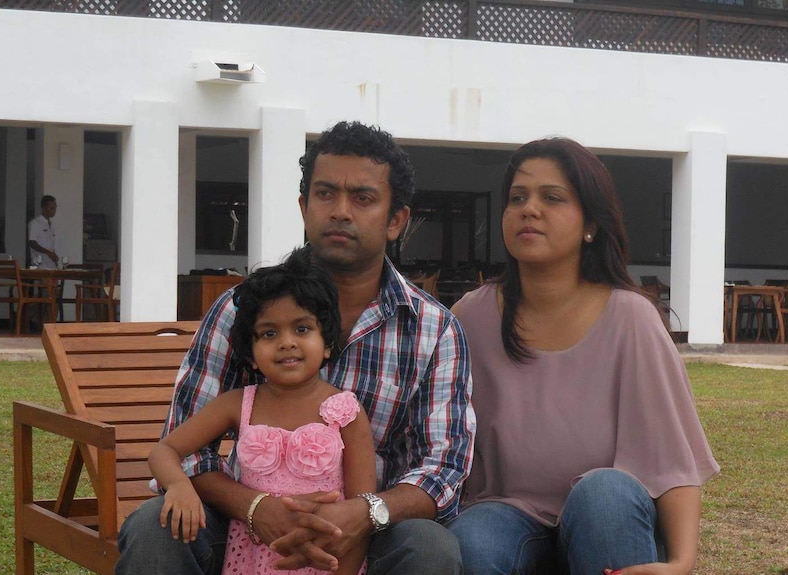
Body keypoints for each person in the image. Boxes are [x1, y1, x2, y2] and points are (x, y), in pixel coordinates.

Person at [116, 121, 475, 575]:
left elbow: (443, 466)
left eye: (363, 198)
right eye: (326, 194)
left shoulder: (434, 329)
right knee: (155, 527)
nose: (341, 211)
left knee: (428, 547)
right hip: (240, 523)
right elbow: (188, 447)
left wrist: (364, 513)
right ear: (305, 207)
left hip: (373, 529)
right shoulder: (242, 309)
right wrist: (254, 507)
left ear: (396, 220)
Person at [448, 137, 719, 575]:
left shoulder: (631, 318)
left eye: (551, 198)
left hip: (606, 518)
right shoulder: (469, 316)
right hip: (506, 513)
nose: (529, 209)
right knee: (472, 537)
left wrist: (681, 563)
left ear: (590, 223)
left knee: (605, 494)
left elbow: (672, 461)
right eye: (518, 198)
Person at [148, 247, 375, 575]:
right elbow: (164, 450)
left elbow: (360, 515)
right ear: (251, 355)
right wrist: (180, 485)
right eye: (269, 333)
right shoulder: (238, 404)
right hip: (249, 562)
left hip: (326, 563)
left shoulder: (346, 412)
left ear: (327, 342)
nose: (286, 342)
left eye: (302, 329)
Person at [28, 195, 59, 269]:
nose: (54, 210)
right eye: (51, 208)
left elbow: (50, 245)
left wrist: (54, 256)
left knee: (54, 280)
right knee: (46, 280)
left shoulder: (51, 224)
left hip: (51, 264)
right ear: (44, 209)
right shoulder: (35, 223)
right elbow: (32, 243)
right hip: (40, 264)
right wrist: (49, 253)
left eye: (55, 208)